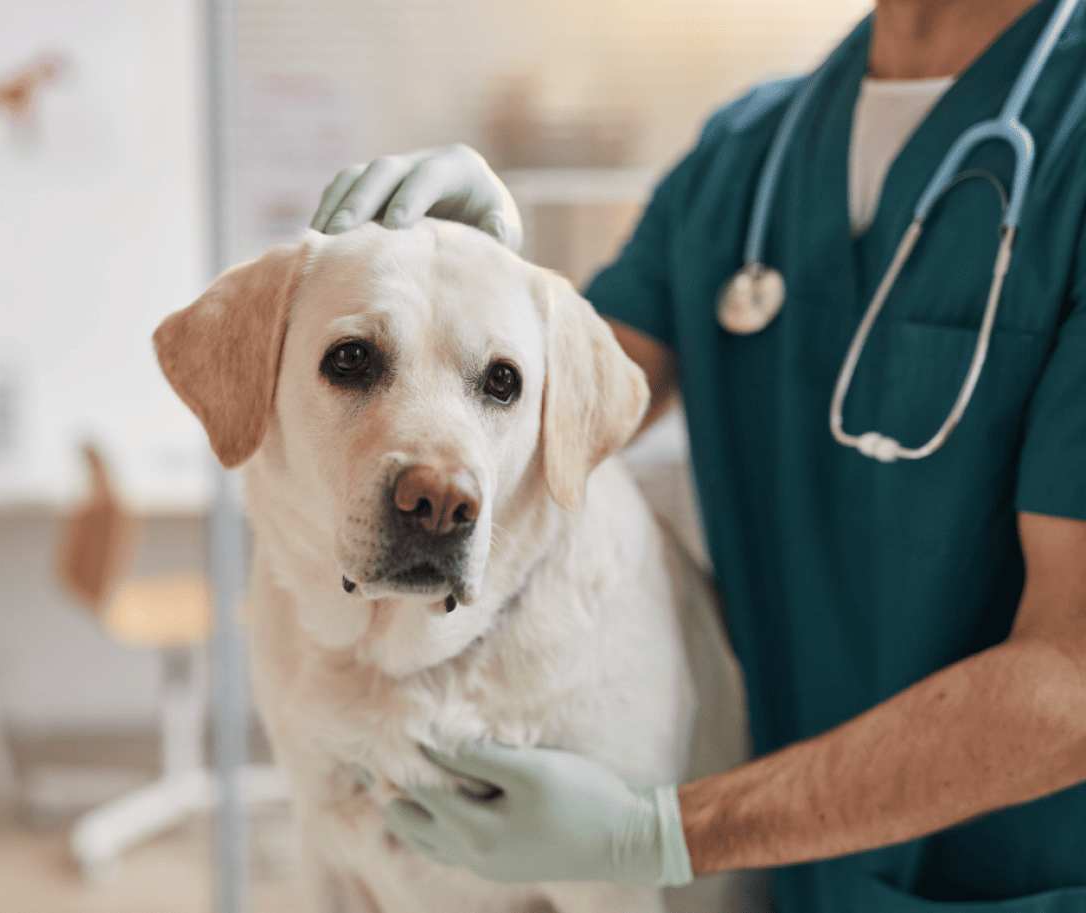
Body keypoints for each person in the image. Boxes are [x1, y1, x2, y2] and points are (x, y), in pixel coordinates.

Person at [308, 0, 1086, 909]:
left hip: (1016, 881)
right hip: (781, 873)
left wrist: (664, 830)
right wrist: (473, 283)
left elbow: (1072, 674)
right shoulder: (746, 155)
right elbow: (556, 414)